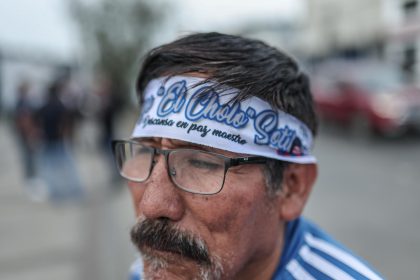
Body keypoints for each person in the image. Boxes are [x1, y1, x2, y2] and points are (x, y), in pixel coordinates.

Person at [112, 33, 383, 280]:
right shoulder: (157, 264)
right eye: (146, 152)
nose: (152, 205)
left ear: (291, 188)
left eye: (200, 162)